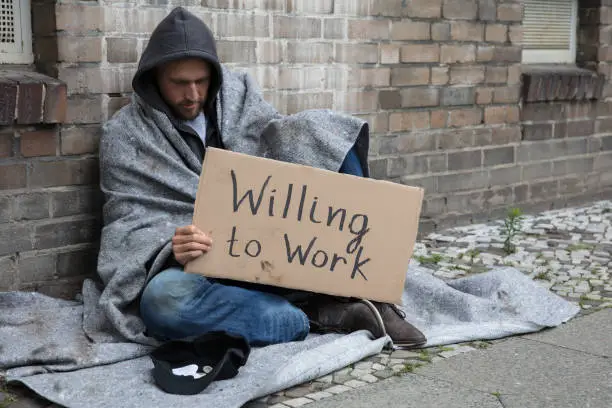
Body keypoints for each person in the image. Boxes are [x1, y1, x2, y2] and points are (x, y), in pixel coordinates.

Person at [98, 7, 426, 348]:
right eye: (179, 83)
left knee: (326, 131)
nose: (193, 95)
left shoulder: (238, 96)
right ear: (154, 78)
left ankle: (367, 295)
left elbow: (275, 147)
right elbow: (129, 227)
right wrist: (170, 248)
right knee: (162, 301)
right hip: (209, 274)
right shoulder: (126, 136)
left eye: (201, 81)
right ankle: (309, 317)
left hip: (281, 250)